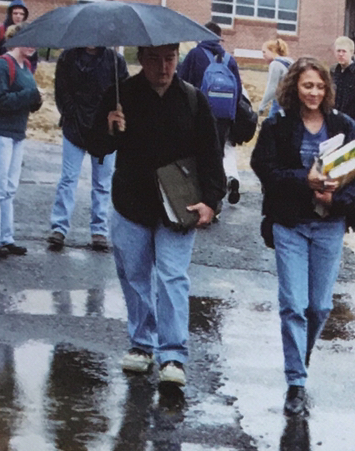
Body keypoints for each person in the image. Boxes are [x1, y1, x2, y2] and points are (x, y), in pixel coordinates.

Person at [89, 44, 226, 386]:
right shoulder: (120, 95)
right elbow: (96, 147)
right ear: (140, 59)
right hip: (131, 203)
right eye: (154, 59)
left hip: (179, 208)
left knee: (172, 278)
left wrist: (211, 201)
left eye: (170, 59)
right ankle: (141, 345)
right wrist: (108, 127)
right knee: (134, 276)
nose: (163, 68)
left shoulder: (193, 100)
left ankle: (173, 355)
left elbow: (212, 155)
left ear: (177, 58)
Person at [251, 57, 355, 416]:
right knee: (293, 304)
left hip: (330, 224)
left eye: (320, 86)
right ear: (295, 87)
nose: (314, 92)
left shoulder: (343, 124)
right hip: (289, 223)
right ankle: (296, 382)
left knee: (319, 307)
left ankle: (299, 355)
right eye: (308, 85)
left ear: (327, 90)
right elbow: (264, 167)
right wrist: (302, 180)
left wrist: (338, 199)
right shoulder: (277, 124)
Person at [47, 47, 128, 251]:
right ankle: (59, 227)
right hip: (74, 127)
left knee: (102, 182)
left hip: (104, 130)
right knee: (68, 179)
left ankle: (99, 230)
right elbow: (61, 90)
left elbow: (125, 93)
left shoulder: (115, 61)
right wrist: (72, 113)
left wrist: (115, 113)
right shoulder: (68, 58)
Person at [178, 21, 241, 204]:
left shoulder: (194, 54)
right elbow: (237, 91)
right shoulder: (230, 59)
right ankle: (215, 202)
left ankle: (197, 199)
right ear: (219, 38)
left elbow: (182, 82)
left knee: (196, 156)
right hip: (223, 118)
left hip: (197, 113)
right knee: (216, 157)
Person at [0, 23, 42, 258]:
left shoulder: (25, 66)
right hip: (3, 132)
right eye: (29, 39)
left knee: (9, 189)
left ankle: (6, 237)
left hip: (18, 133)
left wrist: (36, 101)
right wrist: (29, 96)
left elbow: (27, 99)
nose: (33, 45)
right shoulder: (3, 64)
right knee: (0, 188)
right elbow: (2, 100)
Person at [0, 0, 38, 74]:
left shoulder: (28, 32)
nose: (18, 16)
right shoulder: (2, 30)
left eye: (21, 14)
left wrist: (28, 73)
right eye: (15, 13)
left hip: (22, 71)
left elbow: (33, 59)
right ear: (10, 14)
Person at [258, 38, 293, 118]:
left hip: (280, 102)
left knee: (271, 127)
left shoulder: (275, 64)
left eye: (264, 52)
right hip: (292, 101)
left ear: (272, 50)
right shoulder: (290, 62)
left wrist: (262, 105)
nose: (263, 55)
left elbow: (272, 88)